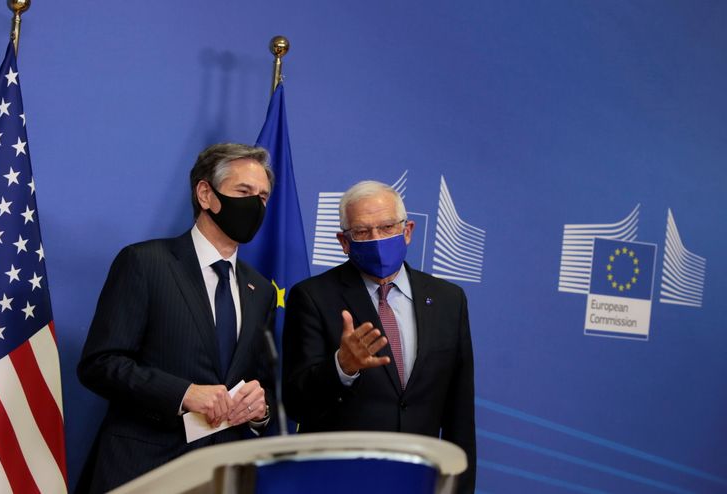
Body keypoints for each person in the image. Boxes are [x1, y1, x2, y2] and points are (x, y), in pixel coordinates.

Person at [77, 143, 277, 492]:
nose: (254, 205)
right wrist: (183, 393)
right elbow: (100, 364)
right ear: (205, 194)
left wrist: (260, 411)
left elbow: (259, 381)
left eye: (262, 197)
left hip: (222, 476)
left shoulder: (259, 290)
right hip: (145, 470)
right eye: (243, 192)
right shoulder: (145, 263)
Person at [282, 180, 476, 493]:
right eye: (361, 232)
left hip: (417, 481)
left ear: (408, 230)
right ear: (344, 242)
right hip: (337, 482)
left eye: (387, 227)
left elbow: (460, 416)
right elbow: (296, 404)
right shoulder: (313, 297)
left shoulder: (449, 300)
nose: (376, 239)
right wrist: (342, 368)